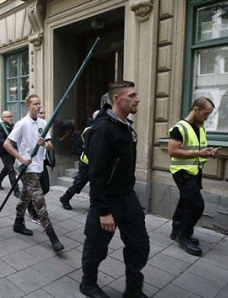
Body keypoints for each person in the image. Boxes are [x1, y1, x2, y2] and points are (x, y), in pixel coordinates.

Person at [80, 81, 149, 298]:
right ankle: (88, 283)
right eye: (132, 95)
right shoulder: (103, 128)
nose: (137, 98)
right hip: (107, 201)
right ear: (117, 99)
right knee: (96, 247)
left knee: (140, 244)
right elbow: (96, 173)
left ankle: (133, 289)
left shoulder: (125, 126)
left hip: (128, 197)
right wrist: (103, 211)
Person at [3, 94, 64, 253]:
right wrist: (21, 158)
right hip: (27, 169)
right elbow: (7, 144)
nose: (39, 107)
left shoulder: (44, 123)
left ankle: (18, 223)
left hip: (39, 167)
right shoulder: (22, 124)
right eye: (35, 104)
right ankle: (53, 237)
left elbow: (50, 146)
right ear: (28, 106)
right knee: (39, 202)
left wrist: (44, 143)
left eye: (40, 104)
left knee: (25, 197)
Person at [168, 96, 219, 257]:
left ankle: (176, 231)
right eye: (206, 113)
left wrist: (208, 153)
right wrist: (199, 153)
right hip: (182, 172)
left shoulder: (200, 127)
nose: (207, 117)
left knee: (185, 202)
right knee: (196, 205)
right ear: (195, 110)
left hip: (195, 172)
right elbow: (173, 151)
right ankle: (184, 236)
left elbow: (197, 151)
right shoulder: (180, 127)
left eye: (209, 114)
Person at [58, 110, 100, 210]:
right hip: (86, 163)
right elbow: (90, 148)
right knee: (79, 183)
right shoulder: (89, 131)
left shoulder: (100, 130)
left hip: (95, 164)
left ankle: (95, 205)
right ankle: (65, 198)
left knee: (97, 185)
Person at [0, 110, 20, 198]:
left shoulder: (12, 126)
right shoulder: (0, 128)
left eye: (11, 116)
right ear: (3, 118)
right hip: (4, 152)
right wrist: (8, 143)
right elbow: (1, 140)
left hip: (12, 150)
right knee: (11, 170)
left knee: (7, 168)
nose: (10, 118)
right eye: (8, 117)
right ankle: (16, 189)